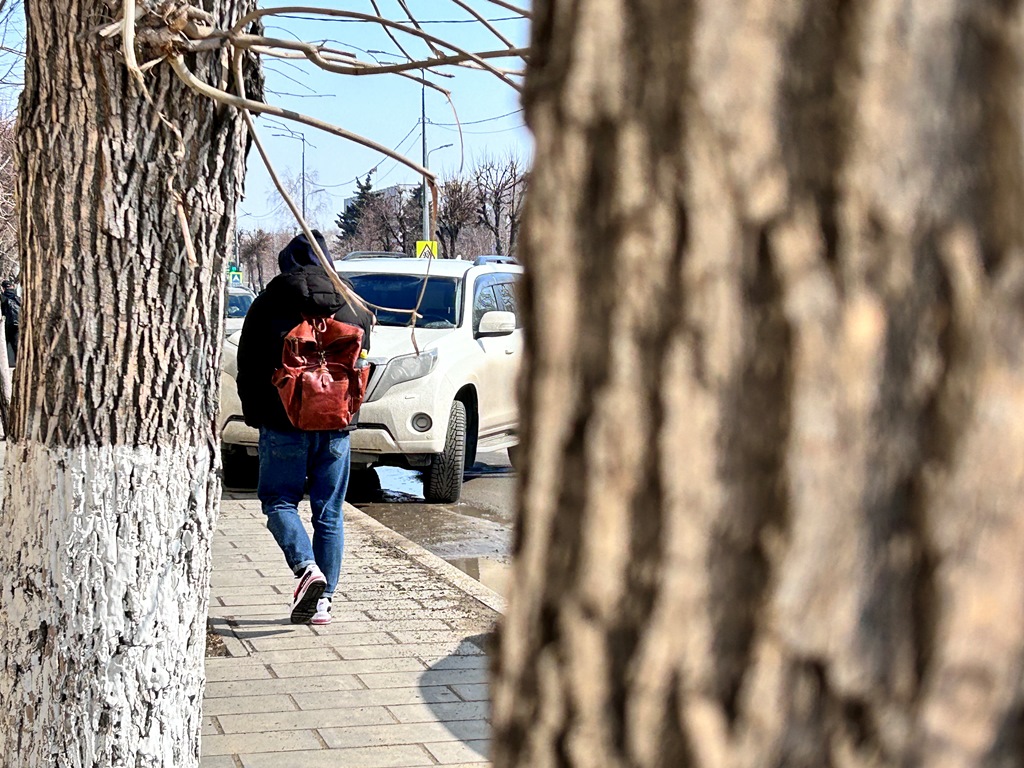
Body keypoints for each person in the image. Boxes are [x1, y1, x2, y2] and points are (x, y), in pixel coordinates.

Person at [236, 231, 373, 625]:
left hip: (283, 421)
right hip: (336, 423)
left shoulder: (268, 304)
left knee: (279, 501)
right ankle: (324, 601)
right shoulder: (355, 305)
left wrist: (255, 414)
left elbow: (249, 365)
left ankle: (306, 567)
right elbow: (360, 364)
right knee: (329, 512)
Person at [0, 280, 20, 365]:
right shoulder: (18, 298)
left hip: (6, 325)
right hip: (17, 324)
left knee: (3, 345)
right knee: (16, 346)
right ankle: (18, 364)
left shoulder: (3, 297)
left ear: (3, 288)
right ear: (12, 286)